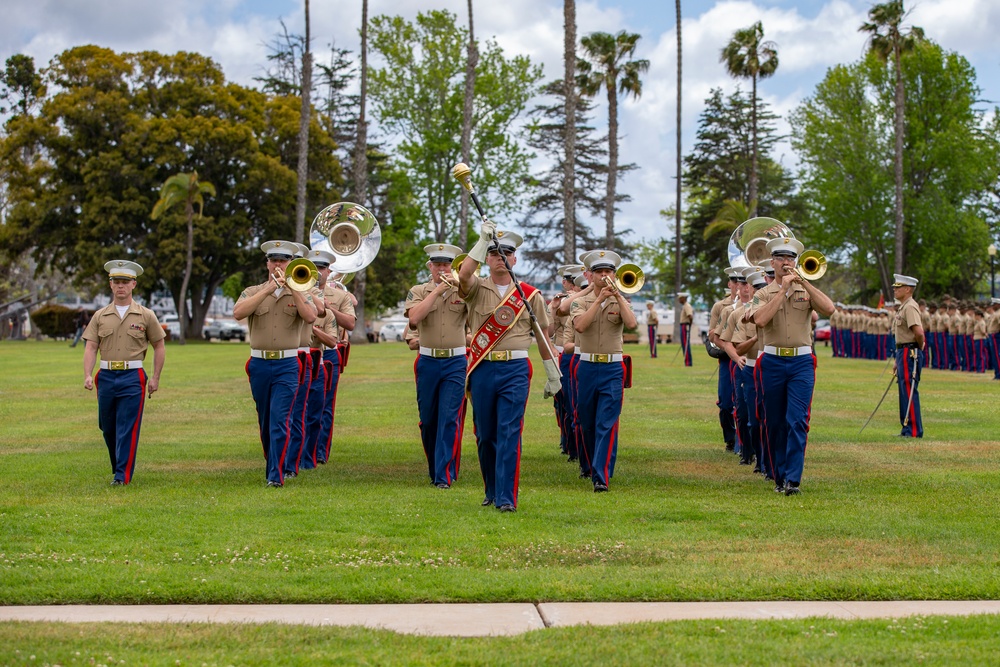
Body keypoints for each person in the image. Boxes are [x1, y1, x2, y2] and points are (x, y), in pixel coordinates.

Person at [458, 223, 559, 512]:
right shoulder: (476, 288)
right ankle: (491, 489)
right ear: (487, 258)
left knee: (509, 431)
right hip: (483, 368)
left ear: (515, 259)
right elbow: (464, 274)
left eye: (507, 252)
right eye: (494, 252)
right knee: (486, 434)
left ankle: (506, 498)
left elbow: (542, 336)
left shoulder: (531, 295)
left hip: (515, 369)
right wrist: (480, 241)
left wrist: (552, 373)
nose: (500, 256)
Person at [750, 237, 834, 496]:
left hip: (801, 361)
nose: (786, 263)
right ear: (772, 262)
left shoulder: (805, 289)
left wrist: (803, 283)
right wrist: (783, 291)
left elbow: (829, 309)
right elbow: (761, 320)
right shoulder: (762, 293)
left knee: (798, 420)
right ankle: (778, 475)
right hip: (773, 360)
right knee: (774, 422)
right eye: (781, 258)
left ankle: (793, 480)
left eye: (790, 259)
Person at [233, 241, 318, 487]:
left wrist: (295, 289)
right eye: (274, 260)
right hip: (259, 363)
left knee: (280, 419)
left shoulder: (300, 290)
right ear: (267, 264)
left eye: (283, 260)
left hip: (288, 364)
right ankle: (273, 462)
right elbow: (238, 313)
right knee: (265, 420)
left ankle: (275, 475)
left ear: (291, 263)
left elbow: (312, 316)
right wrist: (269, 289)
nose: (278, 265)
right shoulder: (253, 291)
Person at [82, 260, 165, 486]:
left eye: (125, 282)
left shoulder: (145, 315)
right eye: (116, 282)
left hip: (132, 376)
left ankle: (122, 476)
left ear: (133, 284)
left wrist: (155, 377)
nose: (121, 286)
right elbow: (91, 346)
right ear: (110, 285)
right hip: (106, 375)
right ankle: (118, 464)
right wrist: (88, 374)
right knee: (107, 427)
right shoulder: (100, 316)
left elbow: (159, 345)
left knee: (127, 427)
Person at [571, 250, 637, 492]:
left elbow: (631, 324)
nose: (604, 276)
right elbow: (580, 326)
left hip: (612, 367)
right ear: (591, 276)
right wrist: (599, 300)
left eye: (608, 272)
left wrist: (619, 298)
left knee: (606, 423)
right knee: (586, 422)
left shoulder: (622, 302)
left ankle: (602, 476)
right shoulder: (580, 302)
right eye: (599, 272)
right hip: (587, 366)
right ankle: (589, 465)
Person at [406, 243, 469, 489]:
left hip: (455, 361)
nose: (442, 269)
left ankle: (444, 475)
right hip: (428, 360)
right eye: (438, 265)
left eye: (446, 265)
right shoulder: (419, 291)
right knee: (428, 420)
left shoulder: (463, 291)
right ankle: (435, 467)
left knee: (449, 418)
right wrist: (438, 291)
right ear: (430, 267)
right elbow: (413, 319)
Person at [891, 275, 925, 438]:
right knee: (904, 391)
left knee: (909, 390)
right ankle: (906, 428)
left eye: (898, 287)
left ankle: (913, 431)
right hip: (902, 352)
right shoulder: (903, 307)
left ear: (908, 289)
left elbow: (918, 332)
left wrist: (919, 346)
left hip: (909, 351)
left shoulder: (910, 307)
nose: (895, 290)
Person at [678, 292, 694, 366]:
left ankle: (688, 362)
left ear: (683, 298)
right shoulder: (684, 306)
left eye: (680, 298)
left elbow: (690, 316)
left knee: (686, 343)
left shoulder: (687, 306)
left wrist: (689, 325)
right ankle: (686, 361)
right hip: (683, 325)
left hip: (685, 325)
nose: (678, 300)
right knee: (684, 343)